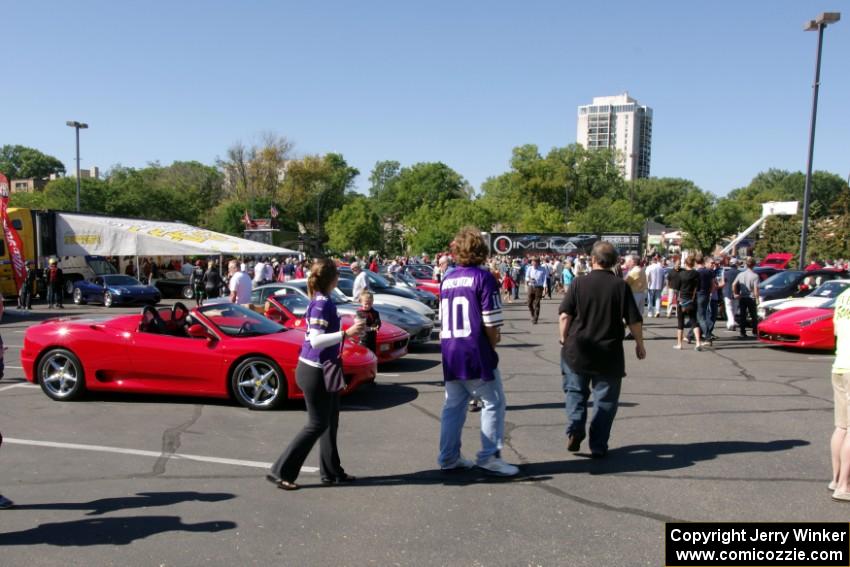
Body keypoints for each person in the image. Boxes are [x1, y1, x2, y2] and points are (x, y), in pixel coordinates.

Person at [268, 259, 366, 490]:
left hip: (326, 367)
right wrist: (345, 333)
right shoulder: (321, 303)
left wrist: (347, 332)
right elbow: (316, 340)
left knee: (330, 421)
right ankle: (281, 471)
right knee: (317, 423)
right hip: (315, 370)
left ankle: (332, 473)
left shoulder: (324, 301)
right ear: (333, 279)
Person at [437, 227, 518, 476]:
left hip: (450, 350)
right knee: (493, 402)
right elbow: (491, 323)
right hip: (474, 350)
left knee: (453, 406)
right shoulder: (483, 278)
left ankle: (448, 456)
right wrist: (492, 345)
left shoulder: (447, 279)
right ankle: (489, 456)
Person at [558, 241, 646, 458]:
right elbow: (633, 320)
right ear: (614, 261)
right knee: (605, 400)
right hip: (609, 351)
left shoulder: (578, 283)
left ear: (593, 260)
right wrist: (639, 344)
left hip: (577, 349)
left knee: (575, 392)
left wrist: (563, 337)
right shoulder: (620, 286)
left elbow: (564, 315)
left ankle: (576, 428)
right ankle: (597, 444)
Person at [829, 287, 850, 501]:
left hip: (840, 364)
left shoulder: (843, 295)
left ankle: (836, 479)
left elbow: (836, 331)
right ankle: (844, 485)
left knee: (842, 427)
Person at [674, 256, 703, 350]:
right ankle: (698, 342)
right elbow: (698, 287)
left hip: (682, 300)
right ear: (693, 263)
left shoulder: (681, 274)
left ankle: (679, 344)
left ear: (685, 264)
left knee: (680, 323)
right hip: (692, 299)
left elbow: (677, 287)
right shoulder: (696, 274)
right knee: (694, 321)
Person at [733, 257, 760, 339]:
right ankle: (755, 331)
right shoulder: (755, 276)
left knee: (743, 315)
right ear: (753, 265)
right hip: (751, 298)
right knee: (753, 315)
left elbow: (733, 284)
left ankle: (742, 332)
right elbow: (755, 290)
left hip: (742, 297)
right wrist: (757, 299)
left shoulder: (740, 274)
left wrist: (735, 293)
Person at [356, 290, 381, 354]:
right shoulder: (359, 313)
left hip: (372, 338)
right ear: (361, 302)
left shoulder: (375, 312)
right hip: (363, 339)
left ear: (372, 302)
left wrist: (377, 325)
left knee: (372, 354)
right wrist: (372, 328)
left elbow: (378, 321)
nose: (368, 305)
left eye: (370, 303)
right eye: (366, 304)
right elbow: (362, 326)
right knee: (364, 354)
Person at [525, 257, 547, 325]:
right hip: (531, 286)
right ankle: (533, 314)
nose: (533, 263)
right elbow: (526, 277)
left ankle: (535, 318)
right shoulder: (529, 268)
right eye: (532, 262)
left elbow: (544, 279)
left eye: (535, 262)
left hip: (539, 287)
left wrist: (545, 288)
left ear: (538, 263)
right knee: (529, 303)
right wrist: (529, 280)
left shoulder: (542, 269)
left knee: (537, 303)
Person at [720, 259, 740, 331]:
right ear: (736, 264)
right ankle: (731, 322)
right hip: (736, 293)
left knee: (728, 309)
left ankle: (731, 323)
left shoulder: (725, 273)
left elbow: (723, 283)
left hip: (727, 293)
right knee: (734, 309)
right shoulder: (739, 273)